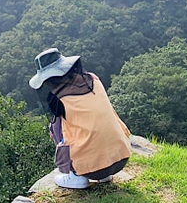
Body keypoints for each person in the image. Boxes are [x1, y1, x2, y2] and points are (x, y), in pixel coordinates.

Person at [29, 48, 131, 189]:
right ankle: (104, 175)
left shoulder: (57, 99)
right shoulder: (93, 79)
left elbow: (58, 130)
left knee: (56, 125)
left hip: (91, 170)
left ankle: (75, 176)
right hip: (121, 157)